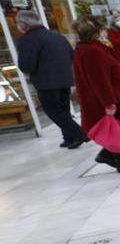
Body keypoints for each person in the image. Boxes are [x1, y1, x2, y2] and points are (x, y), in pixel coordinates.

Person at [72, 18, 120, 173]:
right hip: (114, 97)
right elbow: (99, 80)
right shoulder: (91, 51)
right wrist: (108, 103)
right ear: (98, 32)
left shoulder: (91, 49)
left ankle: (114, 158)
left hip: (117, 95)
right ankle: (119, 160)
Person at [14, 10, 89, 149]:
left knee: (53, 110)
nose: (17, 26)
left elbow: (26, 65)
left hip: (46, 82)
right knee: (63, 109)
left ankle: (80, 134)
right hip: (65, 79)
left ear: (24, 24)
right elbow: (71, 55)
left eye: (18, 23)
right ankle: (69, 138)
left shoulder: (27, 40)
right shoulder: (57, 36)